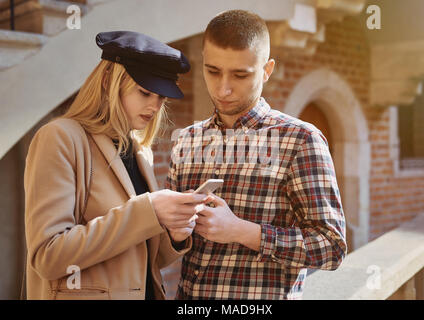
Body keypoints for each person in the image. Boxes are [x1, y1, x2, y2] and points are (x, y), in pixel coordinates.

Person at [167, 10, 347, 300]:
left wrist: (241, 231)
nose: (223, 88)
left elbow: (331, 248)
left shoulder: (300, 140)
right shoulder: (187, 140)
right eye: (212, 71)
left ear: (267, 70)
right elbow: (170, 245)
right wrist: (175, 233)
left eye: (240, 74)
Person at [24, 31, 207, 300]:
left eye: (161, 98)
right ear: (109, 81)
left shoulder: (140, 150)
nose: (154, 106)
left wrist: (175, 235)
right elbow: (48, 256)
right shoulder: (60, 138)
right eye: (145, 92)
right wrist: (148, 210)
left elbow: (136, 259)